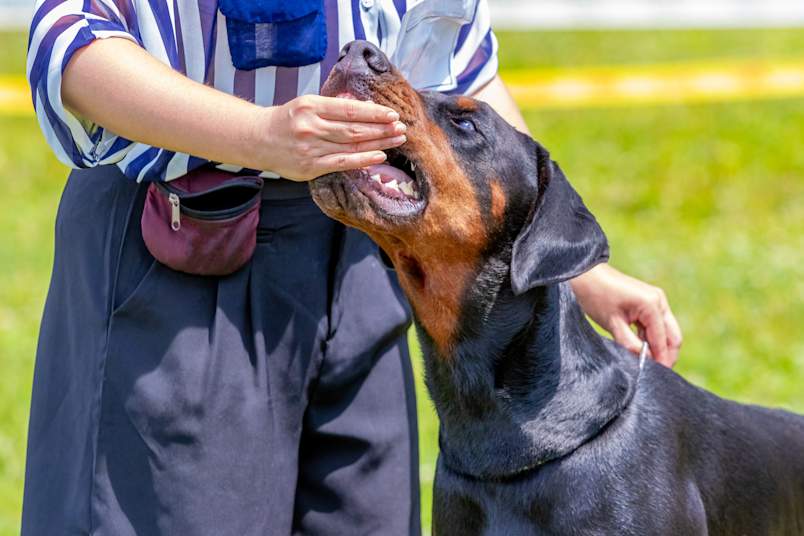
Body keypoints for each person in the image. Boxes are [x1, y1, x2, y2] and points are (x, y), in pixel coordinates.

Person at [23, 1, 682, 534]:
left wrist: (567, 264)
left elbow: (456, 62)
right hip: (184, 249)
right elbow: (67, 42)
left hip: (371, 247)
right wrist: (260, 136)